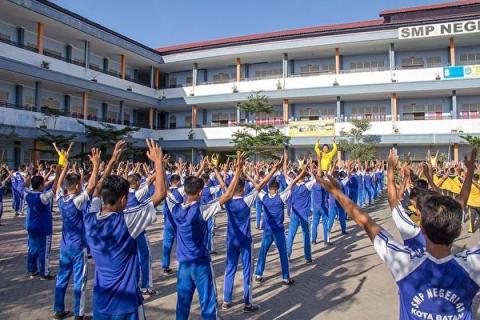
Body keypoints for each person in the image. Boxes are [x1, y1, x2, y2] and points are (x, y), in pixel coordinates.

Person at [312, 147, 480, 319]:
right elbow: (461, 201)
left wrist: (336, 192)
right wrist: (470, 170)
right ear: (458, 229)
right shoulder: (472, 266)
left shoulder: (404, 263)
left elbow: (366, 221)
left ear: (422, 226)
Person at [83, 139, 166, 320]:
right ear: (122, 200)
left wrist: (110, 161)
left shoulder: (89, 219)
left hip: (101, 302)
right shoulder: (127, 220)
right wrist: (158, 162)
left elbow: (95, 190)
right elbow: (160, 194)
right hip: (126, 303)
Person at [164, 152, 244, 320]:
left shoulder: (176, 209)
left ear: (184, 190)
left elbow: (165, 191)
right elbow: (228, 194)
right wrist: (237, 170)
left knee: (182, 304)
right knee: (208, 304)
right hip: (200, 264)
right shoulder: (202, 210)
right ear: (201, 192)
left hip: (183, 265)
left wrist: (158, 163)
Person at [221, 157, 283, 313]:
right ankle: (247, 304)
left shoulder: (226, 200)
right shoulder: (246, 200)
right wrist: (274, 170)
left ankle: (226, 300)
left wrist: (234, 169)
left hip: (231, 240)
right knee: (247, 271)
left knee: (230, 269)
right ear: (242, 190)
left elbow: (223, 184)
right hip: (245, 241)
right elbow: (261, 184)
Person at [53, 146, 100, 320]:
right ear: (77, 185)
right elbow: (93, 185)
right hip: (78, 246)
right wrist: (95, 165)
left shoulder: (60, 199)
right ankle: (79, 314)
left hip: (64, 245)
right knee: (80, 280)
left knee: (62, 277)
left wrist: (63, 164)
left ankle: (58, 310)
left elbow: (58, 184)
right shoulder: (78, 201)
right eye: (80, 183)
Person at [254, 164, 306, 285]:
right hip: (278, 230)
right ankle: (285, 278)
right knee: (282, 253)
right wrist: (301, 171)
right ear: (277, 188)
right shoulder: (282, 197)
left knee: (263, 252)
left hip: (267, 230)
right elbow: (292, 185)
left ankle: (258, 274)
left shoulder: (264, 196)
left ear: (268, 187)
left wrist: (254, 174)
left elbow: (257, 187)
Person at [25, 156, 63, 280]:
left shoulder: (28, 194)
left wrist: (29, 174)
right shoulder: (43, 197)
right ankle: (44, 273)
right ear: (41, 185)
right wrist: (57, 175)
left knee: (32, 248)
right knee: (44, 251)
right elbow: (53, 189)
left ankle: (32, 270)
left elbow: (26, 186)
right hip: (43, 228)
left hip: (31, 226)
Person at [126, 173, 156, 296]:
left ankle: (133, 284)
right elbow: (149, 181)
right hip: (138, 230)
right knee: (145, 256)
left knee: (133, 258)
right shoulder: (137, 194)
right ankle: (146, 285)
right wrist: (160, 165)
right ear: (137, 182)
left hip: (127, 232)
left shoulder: (123, 194)